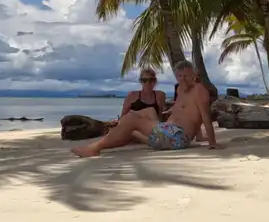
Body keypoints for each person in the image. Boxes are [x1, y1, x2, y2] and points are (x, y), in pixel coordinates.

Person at [71, 60, 218, 158]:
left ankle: (95, 148)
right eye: (179, 76)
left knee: (130, 119)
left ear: (194, 74)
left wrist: (212, 143)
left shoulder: (199, 90)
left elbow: (204, 116)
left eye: (186, 76)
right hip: (168, 133)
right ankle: (99, 146)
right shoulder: (180, 89)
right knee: (130, 131)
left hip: (178, 136)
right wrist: (199, 137)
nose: (182, 79)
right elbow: (188, 114)